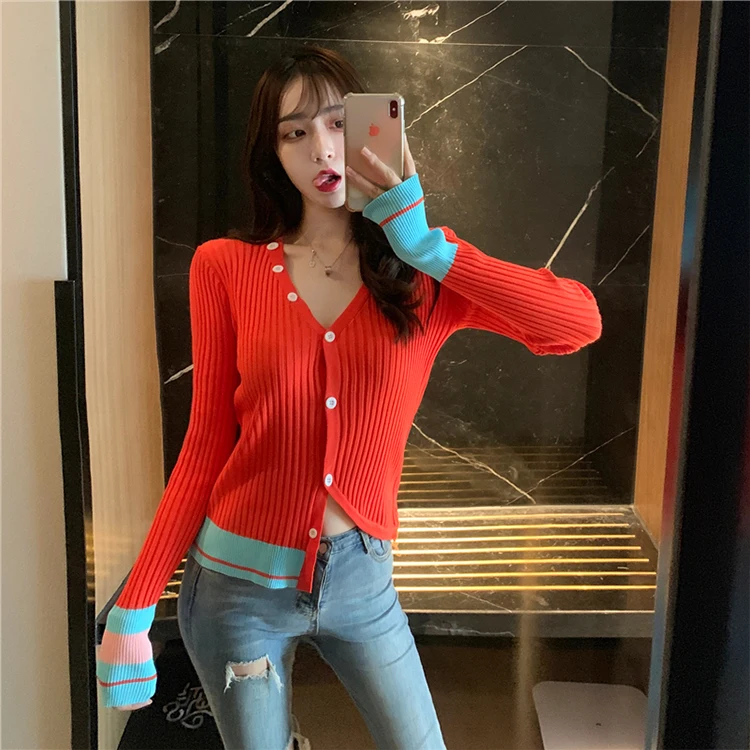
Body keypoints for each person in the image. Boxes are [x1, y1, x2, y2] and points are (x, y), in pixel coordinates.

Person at [96, 45, 602, 749]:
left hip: (364, 587)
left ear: (374, 131)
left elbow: (576, 323)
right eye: (294, 132)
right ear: (272, 154)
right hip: (236, 591)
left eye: (338, 122)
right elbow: (207, 442)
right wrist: (134, 606)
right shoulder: (225, 268)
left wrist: (428, 248)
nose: (321, 148)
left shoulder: (421, 275)